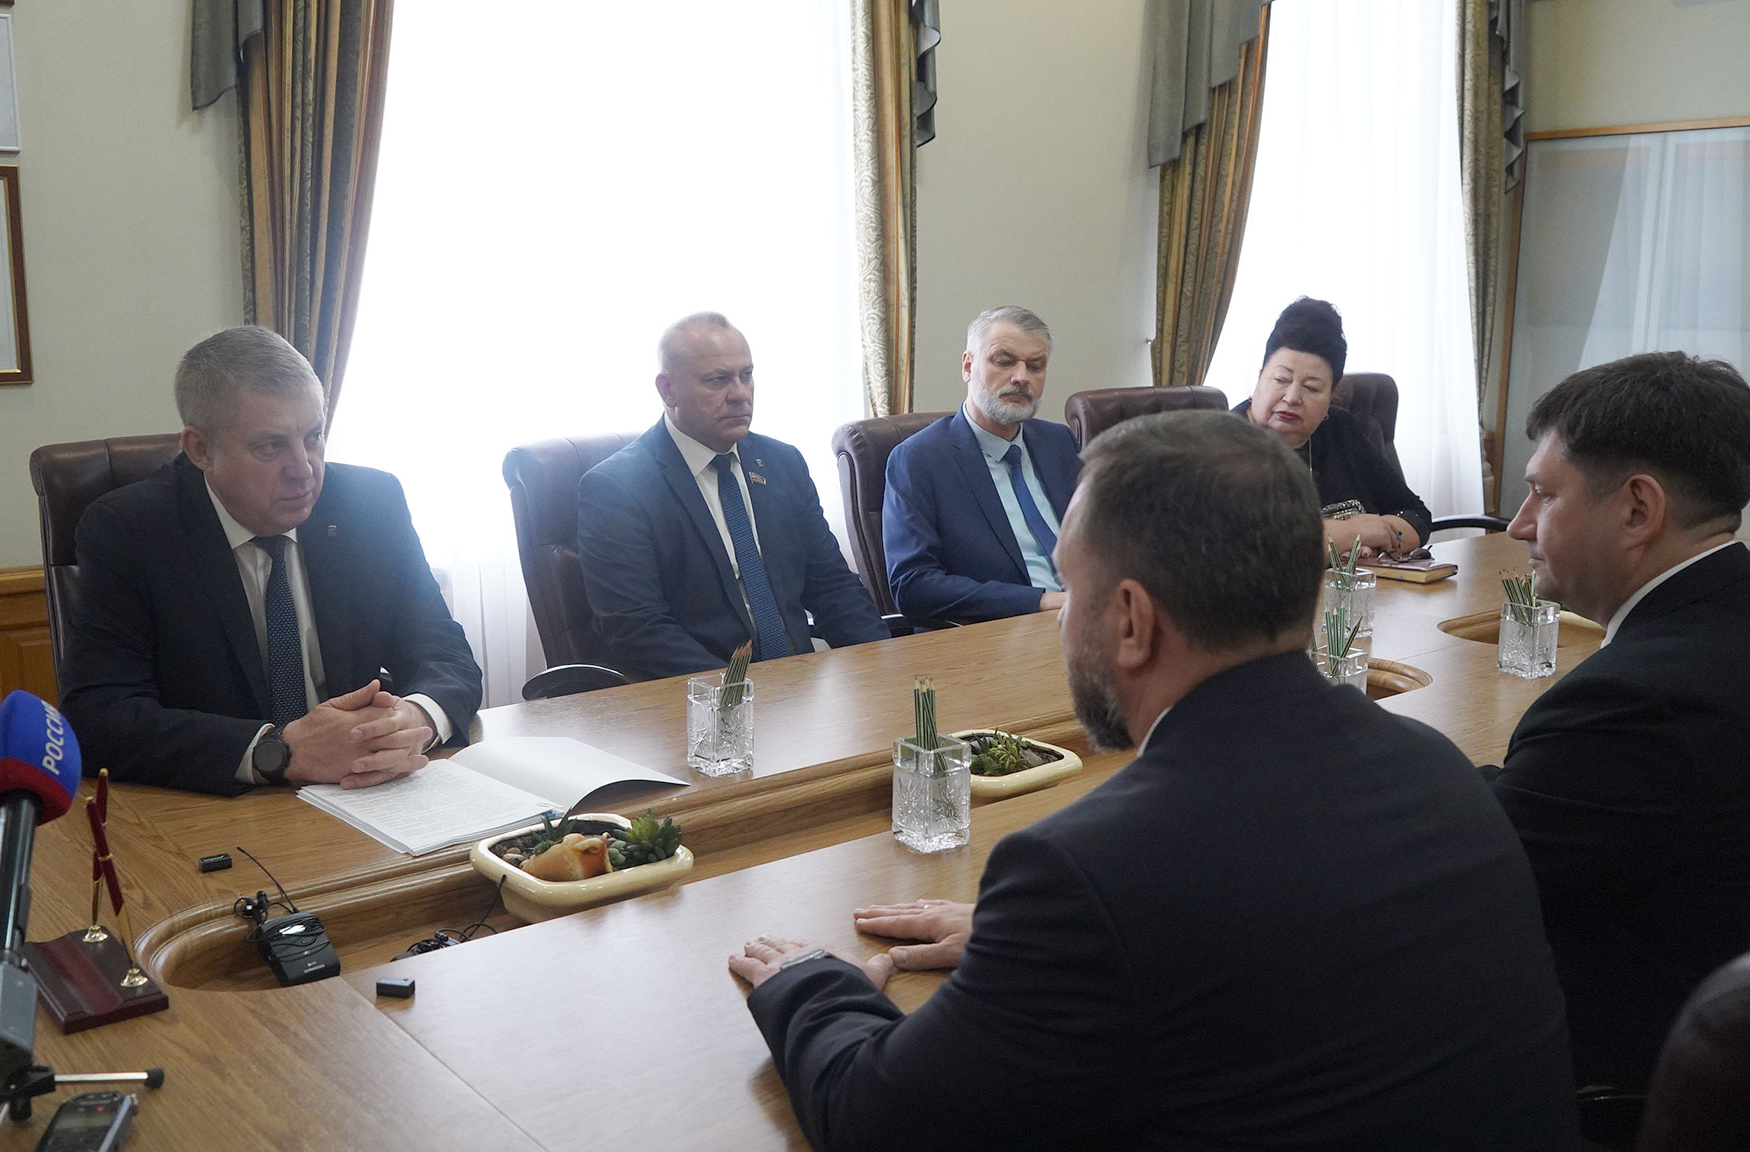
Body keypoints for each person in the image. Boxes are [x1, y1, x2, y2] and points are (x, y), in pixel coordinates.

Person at [730, 410, 1576, 1151]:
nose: (1064, 621)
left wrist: (812, 983)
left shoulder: (1088, 873)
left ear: (1132, 621)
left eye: (1071, 587)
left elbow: (879, 1121)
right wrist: (1028, 951)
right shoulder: (1437, 769)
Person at [59, 326, 482, 795]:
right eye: (271, 446)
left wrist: (414, 719)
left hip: (363, 792)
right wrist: (278, 751)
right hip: (217, 807)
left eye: (314, 436)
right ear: (200, 449)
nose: (304, 469)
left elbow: (445, 655)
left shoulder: (370, 504)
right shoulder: (130, 530)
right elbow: (99, 716)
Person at [1491, 350, 1750, 1090]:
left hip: (1605, 1082)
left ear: (1638, 510)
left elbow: (1467, 873)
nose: (1518, 525)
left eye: (1543, 494)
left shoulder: (1632, 703)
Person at [577, 312, 887, 680]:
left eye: (746, 375)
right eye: (718, 380)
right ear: (667, 390)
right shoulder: (617, 488)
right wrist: (741, 693)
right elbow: (638, 631)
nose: (740, 394)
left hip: (797, 685)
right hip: (695, 696)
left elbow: (832, 585)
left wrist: (883, 664)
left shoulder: (782, 463)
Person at [881, 306, 1081, 621]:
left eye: (1036, 366)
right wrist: (1040, 601)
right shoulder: (919, 460)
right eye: (1003, 361)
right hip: (1000, 632)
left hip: (1087, 620)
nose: (1021, 377)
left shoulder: (1059, 442)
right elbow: (913, 585)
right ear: (968, 366)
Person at [1236, 297, 1432, 560]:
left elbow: (1416, 515)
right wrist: (1348, 534)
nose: (1292, 397)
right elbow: (1244, 547)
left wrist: (1377, 541)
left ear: (1330, 397)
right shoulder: (1221, 443)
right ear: (1259, 377)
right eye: (1281, 379)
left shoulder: (1340, 431)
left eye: (1312, 388)